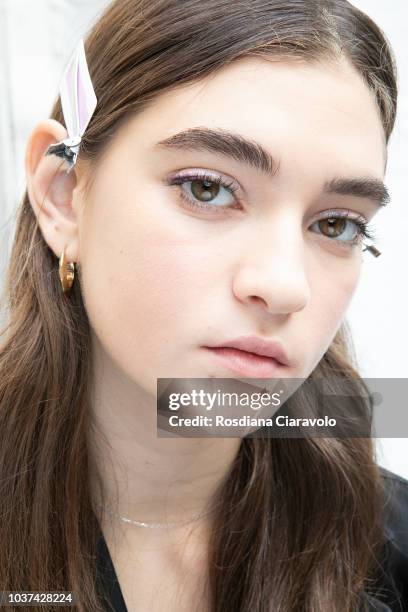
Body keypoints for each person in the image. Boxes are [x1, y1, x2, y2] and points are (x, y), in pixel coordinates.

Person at [0, 0, 406, 610]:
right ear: (63, 197)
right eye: (207, 188)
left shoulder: (388, 545)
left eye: (338, 225)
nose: (285, 285)